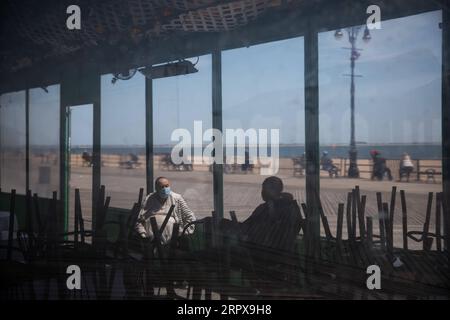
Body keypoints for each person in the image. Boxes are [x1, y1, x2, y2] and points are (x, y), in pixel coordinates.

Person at [238, 177, 302, 292]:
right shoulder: (293, 207)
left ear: (272, 190)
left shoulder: (264, 209)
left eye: (264, 189)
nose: (262, 192)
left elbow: (247, 227)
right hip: (283, 254)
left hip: (263, 256)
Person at [135, 177, 196, 244]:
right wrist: (143, 234)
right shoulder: (150, 199)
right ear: (156, 188)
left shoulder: (176, 198)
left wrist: (183, 233)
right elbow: (139, 219)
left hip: (171, 240)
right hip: (150, 239)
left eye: (166, 186)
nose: (164, 189)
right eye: (161, 187)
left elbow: (190, 216)